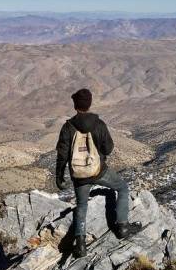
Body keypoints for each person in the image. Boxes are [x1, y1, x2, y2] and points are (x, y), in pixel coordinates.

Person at [55, 88, 142, 258]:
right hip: (99, 171)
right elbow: (108, 149)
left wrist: (59, 176)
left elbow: (62, 154)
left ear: (75, 105)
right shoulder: (98, 124)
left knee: (81, 205)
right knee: (123, 188)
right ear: (90, 104)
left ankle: (80, 244)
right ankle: (123, 226)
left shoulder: (68, 127)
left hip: (79, 175)